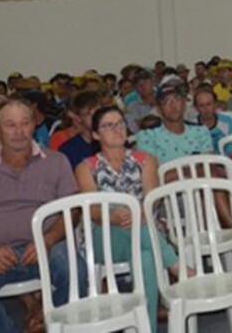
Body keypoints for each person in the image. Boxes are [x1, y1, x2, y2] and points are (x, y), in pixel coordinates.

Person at [0, 97, 85, 333]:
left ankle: (54, 323)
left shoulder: (56, 161)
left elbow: (72, 211)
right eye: (10, 125)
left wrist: (48, 239)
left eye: (25, 123)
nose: (19, 132)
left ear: (34, 124)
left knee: (77, 271)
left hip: (47, 246)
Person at [74, 106, 183, 333]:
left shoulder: (146, 160)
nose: (117, 129)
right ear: (96, 134)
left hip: (142, 229)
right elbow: (93, 210)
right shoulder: (85, 167)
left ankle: (147, 329)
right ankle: (175, 264)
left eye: (121, 123)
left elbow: (152, 200)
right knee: (117, 210)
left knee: (145, 258)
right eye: (108, 126)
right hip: (103, 237)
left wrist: (137, 213)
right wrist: (113, 216)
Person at [58, 90, 103, 169]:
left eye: (98, 112)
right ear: (78, 118)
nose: (95, 117)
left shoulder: (112, 141)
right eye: (88, 114)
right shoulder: (69, 149)